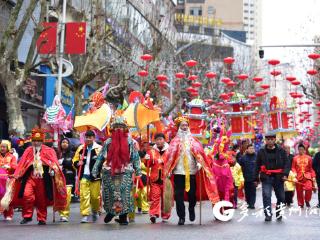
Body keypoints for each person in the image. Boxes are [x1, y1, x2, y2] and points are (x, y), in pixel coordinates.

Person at [1, 128, 67, 225]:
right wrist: (17, 175)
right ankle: (27, 216)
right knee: (27, 195)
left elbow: (54, 164)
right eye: (35, 141)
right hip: (30, 177)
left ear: (42, 141)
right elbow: (22, 164)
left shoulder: (49, 150)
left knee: (41, 199)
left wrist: (52, 168)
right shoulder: (28, 150)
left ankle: (42, 218)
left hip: (43, 178)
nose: (36, 143)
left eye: (38, 141)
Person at [164, 116, 219, 225]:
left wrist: (199, 163)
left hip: (192, 172)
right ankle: (181, 217)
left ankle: (191, 209)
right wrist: (169, 169)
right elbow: (169, 157)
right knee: (178, 195)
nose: (184, 127)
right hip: (178, 173)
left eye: (186, 125)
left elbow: (200, 154)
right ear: (178, 127)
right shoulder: (174, 142)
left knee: (192, 195)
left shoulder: (194, 141)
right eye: (182, 125)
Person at [92, 116, 141, 225]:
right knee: (110, 193)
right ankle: (111, 212)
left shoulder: (130, 142)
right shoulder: (108, 142)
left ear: (125, 129)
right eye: (117, 127)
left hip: (126, 171)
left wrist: (138, 170)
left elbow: (135, 157)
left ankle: (123, 217)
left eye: (121, 127)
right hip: (109, 171)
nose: (119, 129)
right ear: (113, 129)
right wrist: (95, 169)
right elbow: (100, 156)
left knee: (125, 194)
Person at [254, 132, 290, 222]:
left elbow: (287, 163)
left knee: (281, 197)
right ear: (265, 140)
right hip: (266, 177)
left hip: (279, 177)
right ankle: (268, 214)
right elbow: (257, 165)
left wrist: (285, 174)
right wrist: (256, 179)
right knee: (266, 195)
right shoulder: (261, 151)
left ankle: (279, 212)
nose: (270, 141)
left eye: (272, 139)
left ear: (275, 140)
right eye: (268, 139)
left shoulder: (281, 150)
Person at [73, 130, 102, 223]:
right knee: (84, 196)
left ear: (94, 138)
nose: (88, 139)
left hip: (95, 176)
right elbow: (74, 160)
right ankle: (85, 214)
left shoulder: (99, 148)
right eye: (87, 137)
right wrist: (78, 163)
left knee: (95, 197)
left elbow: (105, 161)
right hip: (84, 175)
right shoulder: (81, 148)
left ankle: (95, 210)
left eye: (90, 137)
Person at [145, 133, 170, 223]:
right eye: (157, 140)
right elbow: (148, 164)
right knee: (155, 197)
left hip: (166, 178)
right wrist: (146, 159)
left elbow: (173, 161)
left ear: (164, 140)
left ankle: (165, 215)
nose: (159, 141)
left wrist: (163, 161)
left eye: (160, 139)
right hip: (155, 178)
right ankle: (153, 214)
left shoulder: (170, 150)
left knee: (166, 198)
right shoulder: (151, 151)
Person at [292, 144, 316, 208]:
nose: (301, 151)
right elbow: (293, 168)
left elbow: (311, 168)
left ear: (304, 150)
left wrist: (313, 176)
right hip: (298, 177)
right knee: (299, 192)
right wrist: (294, 176)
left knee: (309, 188)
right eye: (299, 149)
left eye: (302, 149)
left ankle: (307, 200)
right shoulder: (295, 158)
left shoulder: (309, 158)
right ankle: (300, 204)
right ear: (298, 150)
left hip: (307, 176)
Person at [58, 138, 76, 222]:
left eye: (66, 142)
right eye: (63, 142)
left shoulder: (72, 154)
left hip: (69, 178)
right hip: (59, 178)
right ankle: (61, 213)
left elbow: (74, 165)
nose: (64, 144)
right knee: (60, 197)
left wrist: (63, 162)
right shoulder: (58, 154)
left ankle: (65, 214)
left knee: (67, 197)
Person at [0, 140, 17, 220]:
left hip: (8, 179)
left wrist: (9, 166)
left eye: (4, 147)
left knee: (8, 197)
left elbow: (15, 167)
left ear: (8, 148)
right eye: (1, 147)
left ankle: (8, 214)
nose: (2, 148)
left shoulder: (12, 157)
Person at [239, 144, 257, 209]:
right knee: (247, 191)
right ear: (247, 149)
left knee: (253, 191)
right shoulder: (243, 157)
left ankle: (252, 204)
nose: (251, 149)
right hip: (245, 177)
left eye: (252, 148)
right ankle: (248, 202)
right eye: (250, 148)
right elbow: (239, 167)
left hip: (254, 178)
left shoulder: (257, 157)